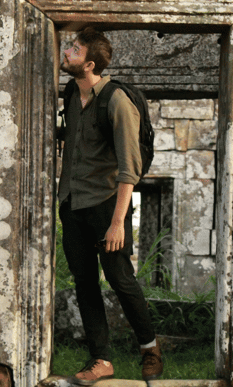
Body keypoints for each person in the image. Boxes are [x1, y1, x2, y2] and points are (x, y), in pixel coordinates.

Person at [57, 27, 163, 385]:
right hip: (72, 203)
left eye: (73, 49)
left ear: (89, 64)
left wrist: (118, 223)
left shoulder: (117, 101)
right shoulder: (72, 92)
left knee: (119, 278)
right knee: (84, 281)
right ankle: (101, 360)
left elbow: (129, 168)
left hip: (107, 205)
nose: (67, 51)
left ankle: (149, 348)